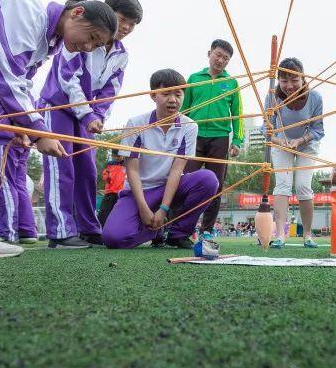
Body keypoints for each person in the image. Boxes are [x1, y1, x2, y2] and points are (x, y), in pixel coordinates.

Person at [0, 0, 115, 257]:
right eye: (91, 37)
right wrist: (38, 131)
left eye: (95, 45)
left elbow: (20, 82)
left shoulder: (49, 43)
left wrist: (19, 125)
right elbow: (5, 70)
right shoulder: (27, 9)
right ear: (77, 13)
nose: (87, 47)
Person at [38, 0, 140, 248]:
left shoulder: (121, 54)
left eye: (132, 24)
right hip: (58, 105)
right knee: (61, 167)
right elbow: (68, 79)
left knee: (87, 168)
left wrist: (98, 116)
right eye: (122, 19)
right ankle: (60, 231)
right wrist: (88, 114)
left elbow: (110, 89)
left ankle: (87, 226)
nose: (126, 27)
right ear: (106, 14)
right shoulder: (80, 38)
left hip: (88, 116)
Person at [102, 69, 219, 249]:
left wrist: (164, 208)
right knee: (113, 238)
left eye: (178, 94)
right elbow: (131, 169)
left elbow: (176, 170)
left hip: (170, 187)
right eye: (166, 94)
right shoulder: (135, 123)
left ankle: (178, 233)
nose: (173, 99)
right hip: (139, 191)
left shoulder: (189, 126)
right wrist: (143, 208)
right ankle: (157, 230)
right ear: (152, 95)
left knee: (208, 179)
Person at [182, 39, 244, 237]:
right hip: (194, 136)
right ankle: (179, 228)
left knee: (216, 185)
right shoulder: (193, 78)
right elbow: (184, 110)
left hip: (220, 138)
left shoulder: (232, 83)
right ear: (209, 54)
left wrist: (237, 141)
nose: (221, 60)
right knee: (183, 180)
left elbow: (237, 114)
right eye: (218, 55)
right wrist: (178, 134)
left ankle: (206, 230)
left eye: (226, 58)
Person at [263, 57, 324, 249]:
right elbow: (267, 130)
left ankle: (307, 235)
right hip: (281, 142)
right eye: (284, 80)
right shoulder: (272, 96)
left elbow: (318, 130)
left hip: (306, 143)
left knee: (303, 186)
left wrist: (300, 141)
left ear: (303, 78)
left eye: (294, 80)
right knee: (282, 186)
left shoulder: (315, 97)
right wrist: (280, 141)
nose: (289, 85)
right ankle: (280, 235)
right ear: (279, 80)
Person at [97, 149, 126, 226]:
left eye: (119, 156)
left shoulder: (127, 164)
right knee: (103, 212)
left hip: (121, 193)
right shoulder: (110, 164)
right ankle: (100, 229)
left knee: (119, 213)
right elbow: (105, 176)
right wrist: (107, 177)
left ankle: (117, 228)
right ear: (113, 156)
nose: (118, 158)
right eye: (116, 156)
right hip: (110, 192)